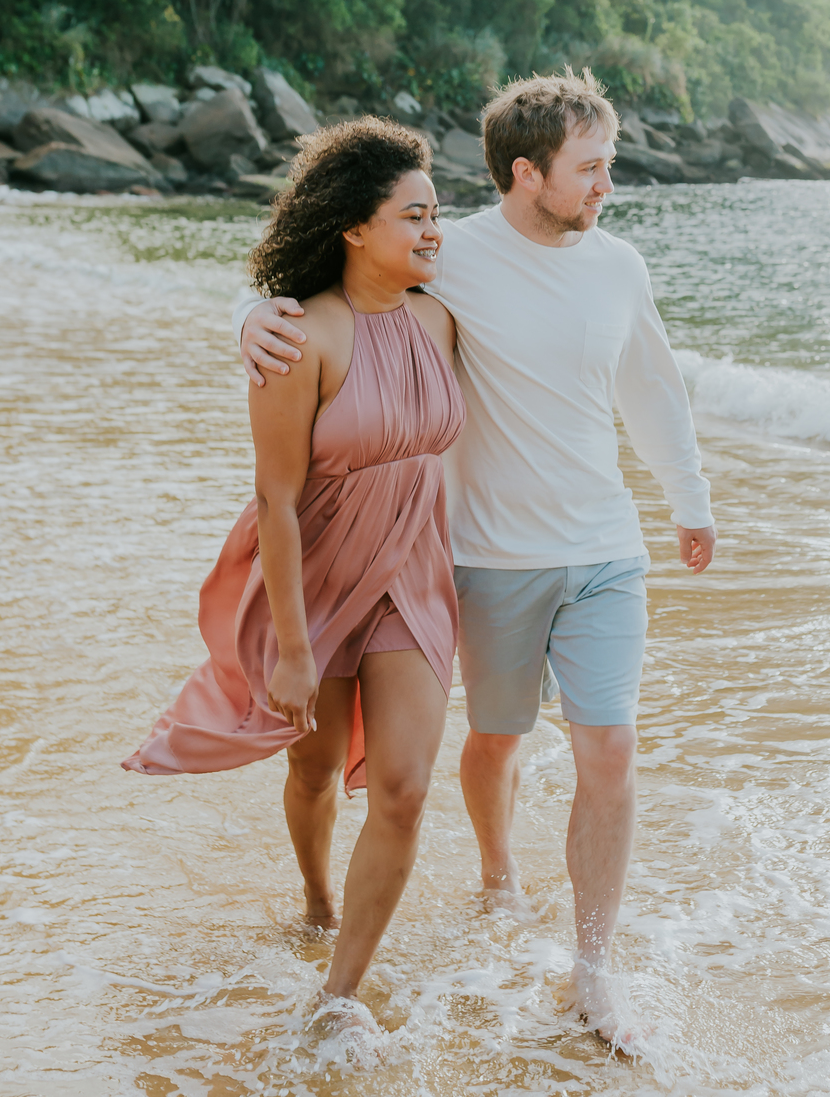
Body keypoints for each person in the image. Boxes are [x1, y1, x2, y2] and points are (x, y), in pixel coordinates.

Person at [238, 70, 716, 1046]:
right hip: (483, 560)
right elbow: (337, 282)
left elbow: (653, 384)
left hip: (589, 550)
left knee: (599, 750)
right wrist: (251, 318)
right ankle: (455, 879)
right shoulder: (452, 262)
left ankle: (587, 967)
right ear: (525, 172)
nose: (608, 186)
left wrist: (689, 498)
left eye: (609, 165)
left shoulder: (616, 266)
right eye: (591, 168)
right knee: (452, 748)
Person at [125, 119, 463, 1032]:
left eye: (438, 213)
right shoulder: (295, 337)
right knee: (313, 769)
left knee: (402, 785)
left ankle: (338, 996)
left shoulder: (444, 312)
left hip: (415, 569)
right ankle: (316, 897)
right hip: (318, 573)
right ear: (355, 227)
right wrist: (294, 647)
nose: (436, 231)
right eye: (416, 215)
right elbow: (274, 499)